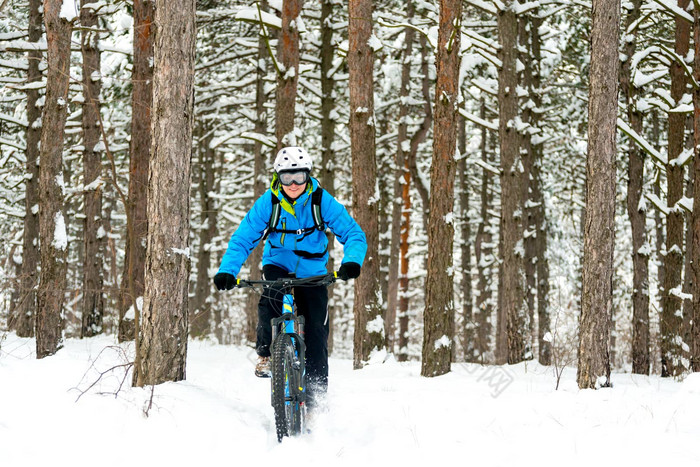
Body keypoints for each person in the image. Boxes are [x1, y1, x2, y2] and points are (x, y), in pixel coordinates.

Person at [214, 146, 366, 407]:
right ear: (278, 178)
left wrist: (351, 261)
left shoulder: (321, 200)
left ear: (308, 176)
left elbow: (353, 233)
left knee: (317, 332)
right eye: (287, 178)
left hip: (313, 270)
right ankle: (266, 354)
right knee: (270, 302)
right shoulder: (269, 202)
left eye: (299, 177)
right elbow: (242, 238)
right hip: (278, 264)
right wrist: (228, 270)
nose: (293, 184)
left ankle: (316, 395)